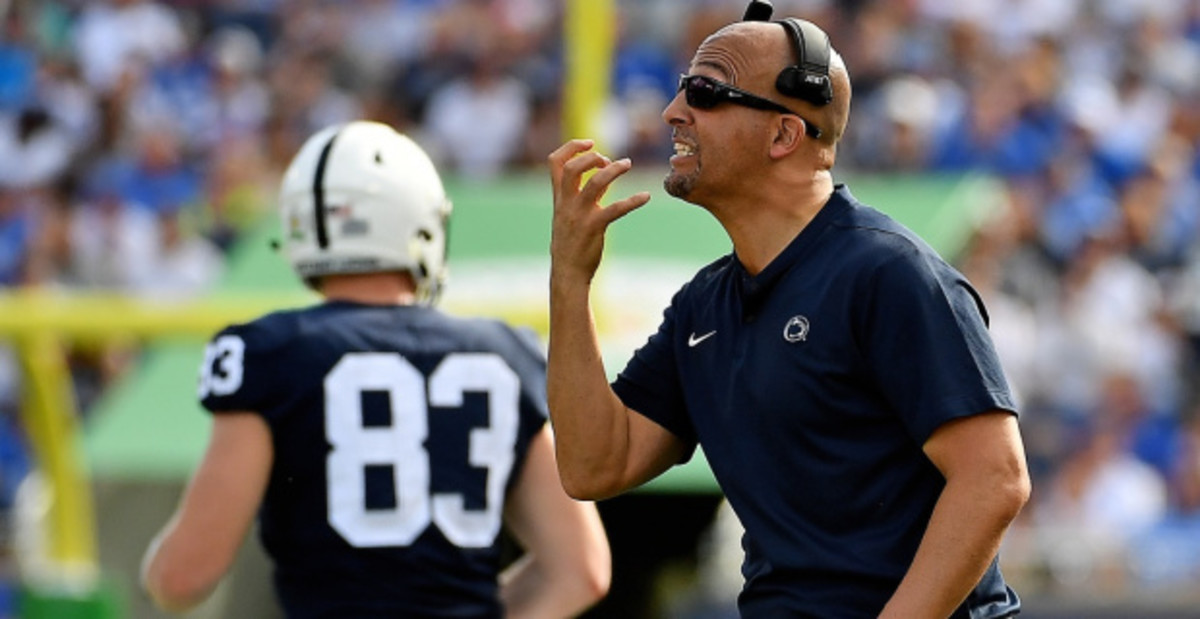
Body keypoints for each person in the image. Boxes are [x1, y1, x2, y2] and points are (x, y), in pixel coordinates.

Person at [546, 4, 1031, 618]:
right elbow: (595, 464)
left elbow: (995, 480)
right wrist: (569, 277)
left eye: (704, 91)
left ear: (784, 134)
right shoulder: (704, 305)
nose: (674, 113)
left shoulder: (888, 272)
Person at [142, 120, 610, 617]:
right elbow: (581, 570)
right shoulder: (502, 353)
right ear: (422, 222)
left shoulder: (270, 352)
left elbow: (184, 576)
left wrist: (156, 570)